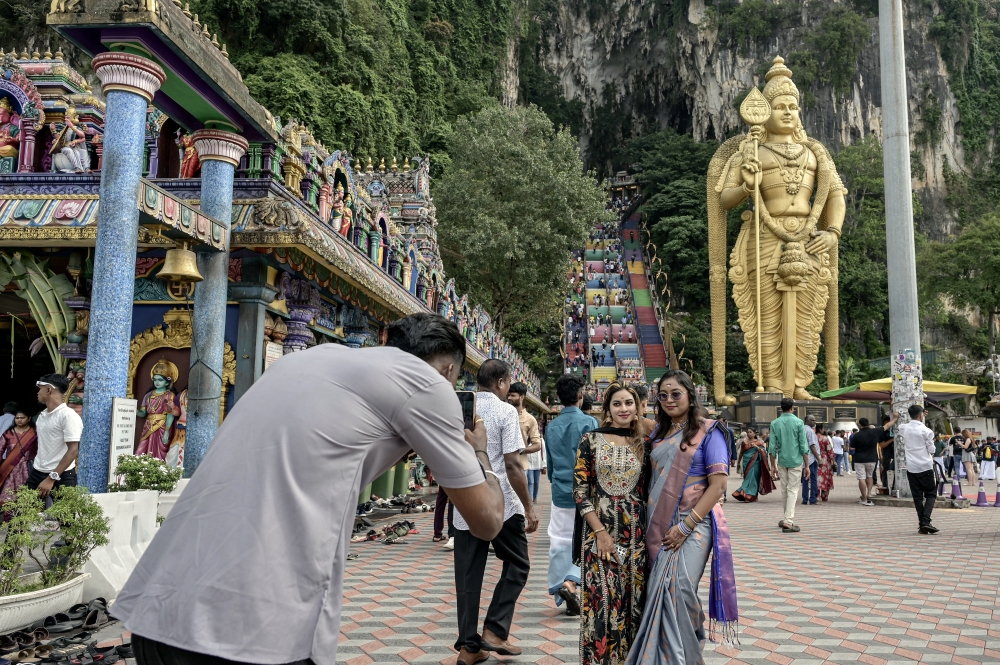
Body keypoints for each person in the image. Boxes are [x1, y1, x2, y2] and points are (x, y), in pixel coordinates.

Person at [115, 313, 505, 665]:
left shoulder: (304, 359)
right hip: (249, 629)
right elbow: (486, 521)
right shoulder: (427, 384)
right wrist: (481, 453)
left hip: (158, 610)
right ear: (450, 369)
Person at [626, 370, 737, 662]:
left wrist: (685, 527)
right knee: (661, 588)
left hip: (694, 523)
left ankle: (685, 653)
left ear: (690, 394)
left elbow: (719, 486)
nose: (669, 400)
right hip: (660, 523)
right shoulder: (658, 434)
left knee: (681, 586)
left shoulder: (709, 431)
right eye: (662, 395)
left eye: (676, 393)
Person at [453, 359, 536, 664]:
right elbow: (513, 464)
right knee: (517, 564)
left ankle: (468, 647)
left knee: (468, 575)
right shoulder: (505, 411)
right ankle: (494, 631)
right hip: (501, 503)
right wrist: (528, 506)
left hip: (463, 504)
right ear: (502, 382)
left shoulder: (458, 407)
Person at [574, 383, 649, 665]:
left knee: (633, 602)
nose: (623, 409)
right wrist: (600, 532)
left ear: (638, 407)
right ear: (607, 409)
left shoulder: (645, 442)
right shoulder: (591, 440)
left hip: (637, 537)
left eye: (629, 403)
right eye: (617, 404)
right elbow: (579, 491)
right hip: (600, 535)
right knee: (602, 602)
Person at [544, 375, 597, 615]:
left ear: (558, 398)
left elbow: (551, 466)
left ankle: (563, 586)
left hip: (560, 489)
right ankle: (572, 581)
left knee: (560, 540)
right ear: (580, 396)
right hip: (586, 491)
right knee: (587, 538)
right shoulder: (590, 422)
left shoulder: (551, 426)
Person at [29, 374, 81, 497]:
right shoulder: (42, 415)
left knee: (63, 516)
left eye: (40, 388)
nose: (38, 393)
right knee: (22, 512)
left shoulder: (68, 415)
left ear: (48, 390)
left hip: (62, 475)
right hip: (38, 471)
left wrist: (51, 478)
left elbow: (73, 451)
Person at [768, 398, 809, 533]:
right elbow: (803, 445)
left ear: (781, 408)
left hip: (782, 460)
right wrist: (807, 465)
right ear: (792, 407)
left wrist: (772, 465)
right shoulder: (799, 422)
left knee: (785, 489)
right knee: (792, 490)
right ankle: (788, 520)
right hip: (796, 460)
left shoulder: (775, 423)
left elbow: (772, 446)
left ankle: (786, 517)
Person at [898, 405, 938, 534]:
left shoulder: (903, 428)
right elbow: (932, 450)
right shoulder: (927, 431)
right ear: (921, 415)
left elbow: (908, 426)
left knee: (917, 497)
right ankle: (925, 521)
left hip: (911, 467)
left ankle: (923, 524)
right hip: (925, 466)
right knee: (931, 494)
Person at [507, 382, 544, 504]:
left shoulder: (530, 419)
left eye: (513, 395)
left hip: (521, 465)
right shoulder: (503, 414)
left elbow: (537, 444)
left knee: (519, 502)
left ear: (522, 397)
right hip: (502, 464)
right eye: (509, 395)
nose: (509, 398)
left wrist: (521, 450)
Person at [850, 414, 897, 505]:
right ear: (868, 424)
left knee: (861, 478)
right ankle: (869, 493)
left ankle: (864, 498)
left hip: (859, 459)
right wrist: (895, 418)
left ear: (860, 425)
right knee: (870, 476)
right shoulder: (875, 432)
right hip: (872, 459)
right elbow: (887, 426)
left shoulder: (856, 435)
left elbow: (852, 449)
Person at [0, 409, 37, 507]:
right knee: (8, 497)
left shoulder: (34, 433)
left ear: (29, 418)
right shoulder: (8, 433)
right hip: (10, 470)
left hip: (28, 469)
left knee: (27, 498)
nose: (19, 420)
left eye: (22, 418)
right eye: (17, 418)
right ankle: (9, 521)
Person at [732, 427, 774, 502]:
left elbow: (764, 452)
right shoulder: (744, 442)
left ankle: (750, 495)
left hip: (755, 464)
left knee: (754, 479)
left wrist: (757, 447)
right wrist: (738, 463)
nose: (748, 433)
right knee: (747, 478)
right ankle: (749, 494)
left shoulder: (758, 442)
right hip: (746, 463)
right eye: (748, 432)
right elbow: (741, 453)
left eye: (750, 432)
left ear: (755, 433)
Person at [801, 415, 821, 506]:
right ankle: (813, 499)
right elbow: (812, 446)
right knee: (813, 479)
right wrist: (819, 459)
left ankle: (805, 499)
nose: (815, 422)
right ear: (807, 420)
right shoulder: (809, 431)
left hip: (804, 458)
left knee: (805, 479)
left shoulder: (802, 429)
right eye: (813, 420)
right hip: (811, 459)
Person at [816, 424, 836, 502]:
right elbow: (830, 451)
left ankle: (816, 496)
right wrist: (833, 461)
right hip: (825, 460)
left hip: (815, 459)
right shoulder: (825, 438)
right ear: (820, 429)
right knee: (826, 478)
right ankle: (824, 496)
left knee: (816, 478)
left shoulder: (813, 437)